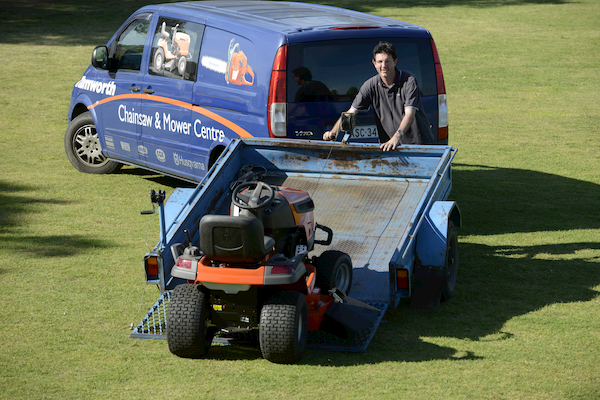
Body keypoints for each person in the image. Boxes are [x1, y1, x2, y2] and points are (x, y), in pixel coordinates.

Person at [323, 42, 434, 151]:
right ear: (374, 63)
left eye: (387, 61)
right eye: (380, 62)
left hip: (418, 146)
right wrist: (332, 133)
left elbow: (410, 114)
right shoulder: (370, 85)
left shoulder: (409, 80)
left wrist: (397, 137)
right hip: (388, 147)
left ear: (395, 61)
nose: (384, 66)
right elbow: (351, 113)